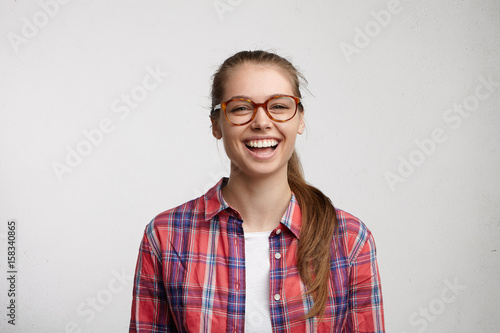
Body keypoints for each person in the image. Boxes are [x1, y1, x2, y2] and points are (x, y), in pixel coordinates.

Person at [129, 50, 385, 332]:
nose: (262, 122)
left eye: (279, 106)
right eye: (241, 108)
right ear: (217, 124)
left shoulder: (350, 239)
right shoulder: (166, 236)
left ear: (300, 119)